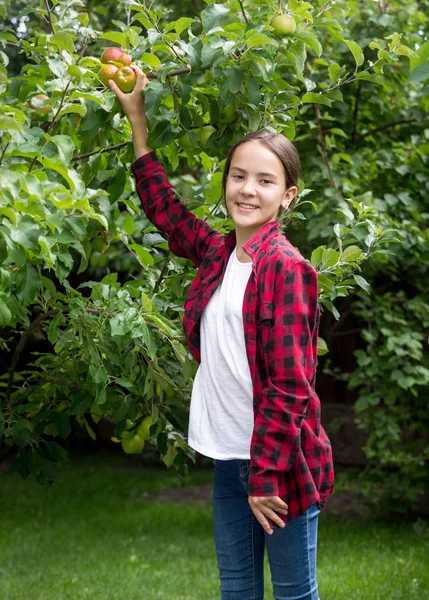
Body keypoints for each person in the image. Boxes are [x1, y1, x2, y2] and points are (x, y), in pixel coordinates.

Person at [109, 67, 334, 600]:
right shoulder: (219, 253)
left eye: (264, 180)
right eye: (238, 176)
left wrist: (263, 478)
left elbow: (291, 388)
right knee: (236, 591)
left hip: (279, 467)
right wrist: (137, 119)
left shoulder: (287, 269)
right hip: (231, 458)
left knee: (294, 593)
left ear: (288, 195)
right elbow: (165, 212)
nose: (247, 189)